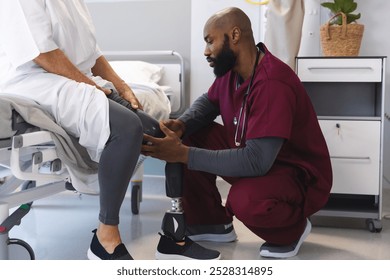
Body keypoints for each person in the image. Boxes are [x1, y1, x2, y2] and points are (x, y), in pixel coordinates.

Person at [0, 0, 220, 260]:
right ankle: (105, 238)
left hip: (73, 79)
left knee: (160, 133)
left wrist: (121, 85)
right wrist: (91, 87)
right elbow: (42, 54)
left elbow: (93, 56)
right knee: (126, 128)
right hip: (36, 82)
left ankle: (174, 236)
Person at [142, 7, 333, 259]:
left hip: (296, 175)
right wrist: (183, 124)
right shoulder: (232, 71)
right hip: (259, 159)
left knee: (244, 201)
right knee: (189, 135)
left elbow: (256, 161)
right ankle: (211, 223)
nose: (206, 51)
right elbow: (208, 102)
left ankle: (292, 229)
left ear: (234, 35)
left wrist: (183, 155)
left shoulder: (272, 83)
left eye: (210, 41)